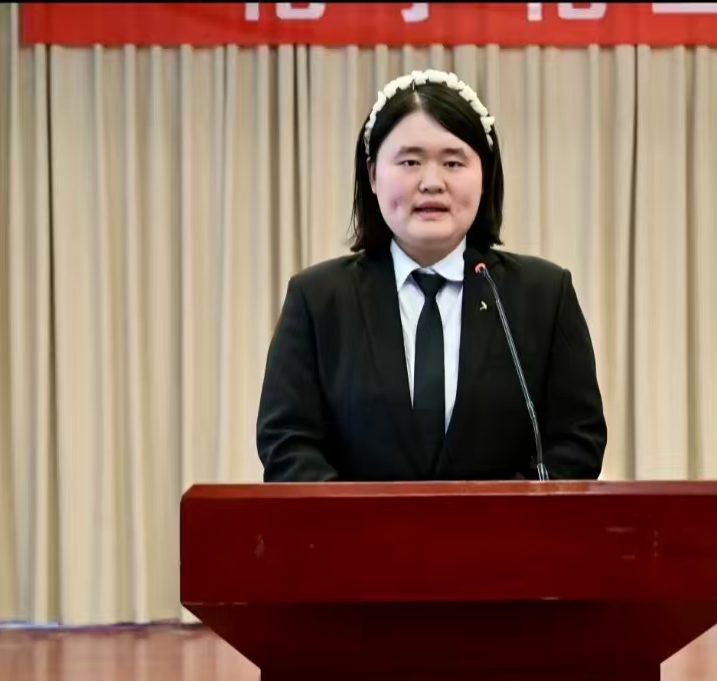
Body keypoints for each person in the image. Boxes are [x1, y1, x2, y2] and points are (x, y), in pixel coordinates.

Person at [256, 69, 606, 482]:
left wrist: (493, 515)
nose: (432, 183)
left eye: (453, 162)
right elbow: (287, 442)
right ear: (372, 174)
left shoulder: (544, 296)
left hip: (504, 527)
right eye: (410, 161)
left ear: (484, 175)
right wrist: (365, 518)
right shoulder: (317, 300)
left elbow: (576, 440)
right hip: (357, 527)